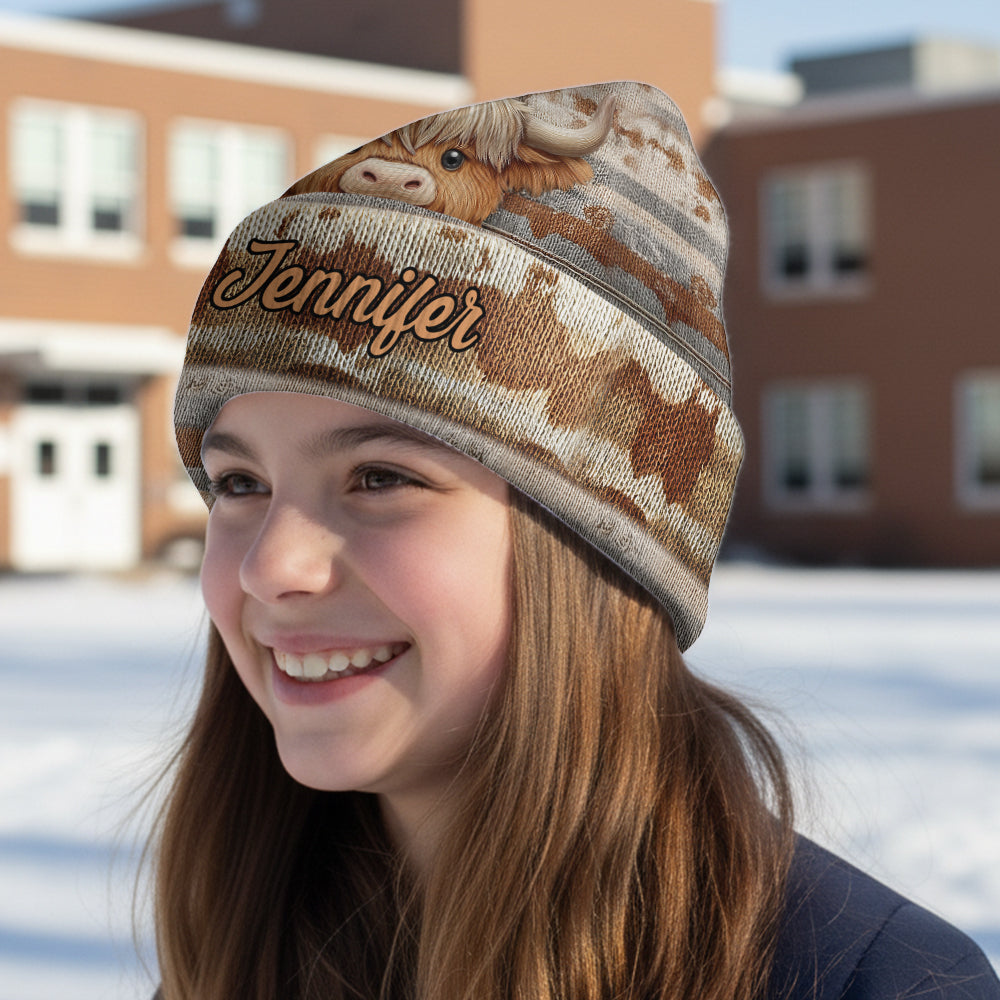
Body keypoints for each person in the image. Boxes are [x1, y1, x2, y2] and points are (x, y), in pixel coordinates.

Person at [159, 81, 999, 999]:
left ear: (601, 546)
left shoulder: (876, 984)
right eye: (239, 483)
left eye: (382, 478)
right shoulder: (243, 948)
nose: (272, 565)